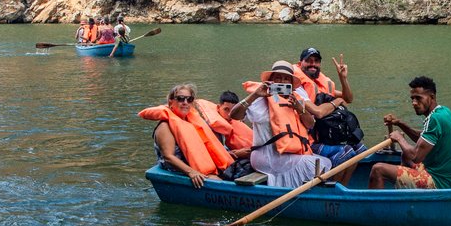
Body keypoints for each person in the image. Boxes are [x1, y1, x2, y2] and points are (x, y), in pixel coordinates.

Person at [230, 60, 330, 189]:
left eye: (286, 79)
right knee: (315, 164)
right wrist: (255, 95)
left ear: (291, 84)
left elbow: (310, 125)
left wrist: (300, 109)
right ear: (271, 80)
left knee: (325, 162)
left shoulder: (295, 99)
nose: (282, 82)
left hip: (287, 154)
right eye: (278, 78)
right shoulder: (261, 99)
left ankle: (307, 194)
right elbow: (234, 115)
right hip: (265, 155)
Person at [368, 76, 451, 190]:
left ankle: (376, 208)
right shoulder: (443, 111)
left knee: (377, 169)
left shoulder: (434, 119)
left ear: (432, 97)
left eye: (418, 98)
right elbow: (423, 138)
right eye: (412, 98)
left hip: (438, 182)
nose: (414, 103)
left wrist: (400, 139)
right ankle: (405, 195)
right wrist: (400, 124)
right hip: (445, 176)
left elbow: (415, 157)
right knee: (405, 155)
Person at [139, 84, 235, 188]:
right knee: (218, 181)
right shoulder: (165, 126)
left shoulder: (192, 121)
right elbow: (168, 157)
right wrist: (191, 172)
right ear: (171, 101)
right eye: (180, 99)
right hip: (179, 170)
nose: (185, 102)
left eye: (189, 99)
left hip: (196, 164)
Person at [195, 90, 255, 171]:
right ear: (219, 107)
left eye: (233, 110)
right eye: (226, 109)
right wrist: (236, 154)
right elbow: (210, 153)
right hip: (222, 165)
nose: (230, 114)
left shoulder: (237, 122)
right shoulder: (210, 127)